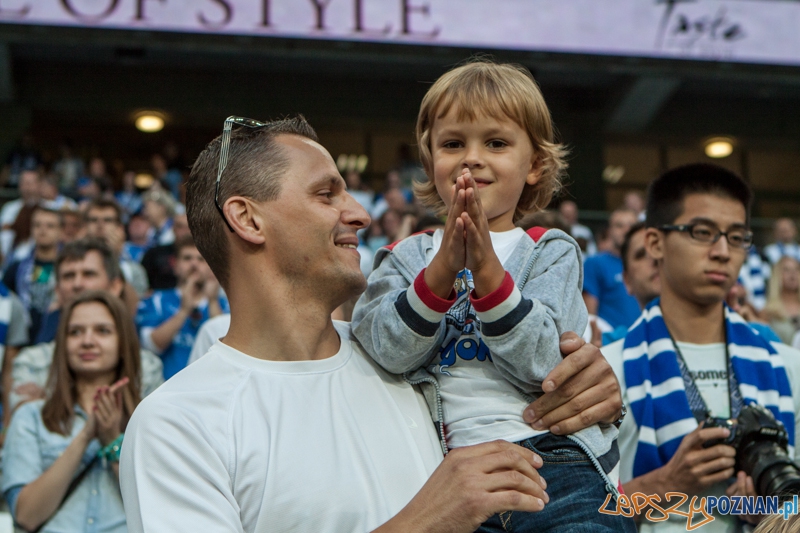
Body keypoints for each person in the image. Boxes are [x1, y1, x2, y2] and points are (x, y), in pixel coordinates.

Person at [120, 115, 625, 533]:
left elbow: (584, 480)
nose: (361, 214)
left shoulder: (411, 357)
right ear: (248, 220)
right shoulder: (179, 423)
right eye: (326, 194)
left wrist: (592, 386)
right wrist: (422, 523)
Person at [352, 61, 630, 532]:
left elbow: (547, 363)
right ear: (429, 161)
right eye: (453, 143)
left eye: (496, 143)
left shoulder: (550, 248)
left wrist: (487, 273)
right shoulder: (400, 258)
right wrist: (441, 271)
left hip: (555, 462)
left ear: (535, 165)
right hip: (443, 469)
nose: (471, 158)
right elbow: (386, 350)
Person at [602, 163, 800, 532]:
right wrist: (663, 484)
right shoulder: (606, 371)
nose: (723, 251)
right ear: (655, 242)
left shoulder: (790, 368)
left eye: (738, 237)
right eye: (703, 232)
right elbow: (573, 513)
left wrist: (776, 513)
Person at [2, 291, 141, 532]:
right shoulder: (32, 417)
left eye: (102, 331)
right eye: (75, 332)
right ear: (62, 344)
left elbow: (156, 511)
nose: (87, 341)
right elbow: (26, 515)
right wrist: (86, 436)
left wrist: (113, 443)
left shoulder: (148, 420)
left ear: (123, 343)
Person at [10, 238, 163, 412]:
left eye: (89, 274)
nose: (77, 284)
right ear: (58, 291)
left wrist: (48, 402)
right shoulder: (31, 363)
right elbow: (23, 422)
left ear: (115, 286)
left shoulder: (146, 367)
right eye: (69, 276)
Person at [136, 235, 228, 380]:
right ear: (175, 265)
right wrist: (183, 311)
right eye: (187, 258)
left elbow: (229, 349)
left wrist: (212, 302)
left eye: (201, 259)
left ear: (210, 267)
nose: (194, 264)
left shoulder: (225, 304)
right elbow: (151, 345)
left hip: (210, 385)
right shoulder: (156, 299)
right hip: (166, 387)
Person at [3, 205, 62, 340]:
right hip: (20, 339)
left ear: (60, 231)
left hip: (55, 338)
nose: (43, 230)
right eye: (37, 225)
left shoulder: (70, 270)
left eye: (50, 226)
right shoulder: (16, 268)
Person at [582, 208, 641, 329]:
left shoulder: (649, 262)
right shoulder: (595, 263)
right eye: (619, 226)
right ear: (609, 231)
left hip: (644, 338)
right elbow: (589, 315)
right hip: (610, 341)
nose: (626, 230)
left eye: (631, 225)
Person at [83, 199, 149, 297]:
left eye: (107, 220)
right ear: (84, 227)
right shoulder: (72, 265)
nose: (100, 226)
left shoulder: (133, 270)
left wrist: (114, 256)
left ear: (120, 228)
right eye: (93, 220)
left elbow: (137, 307)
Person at [140, 213, 189, 290]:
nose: (185, 231)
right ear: (173, 229)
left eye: (189, 227)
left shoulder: (205, 255)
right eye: (180, 227)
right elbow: (142, 280)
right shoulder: (154, 253)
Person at [764, 255, 800, 345]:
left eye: (796, 269)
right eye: (786, 270)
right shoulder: (768, 311)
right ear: (777, 275)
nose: (793, 273)